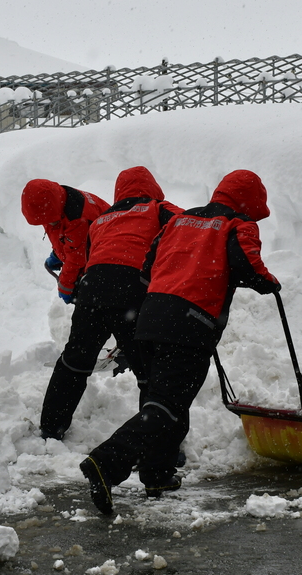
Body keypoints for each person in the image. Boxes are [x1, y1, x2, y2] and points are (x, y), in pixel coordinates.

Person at [79, 170, 280, 515]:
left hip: (149, 316)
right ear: (249, 202)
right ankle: (107, 462)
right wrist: (269, 282)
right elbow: (247, 265)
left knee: (163, 401)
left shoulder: (181, 219)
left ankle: (158, 474)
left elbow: (146, 267)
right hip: (191, 322)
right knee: (169, 406)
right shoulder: (236, 225)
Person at [39, 166, 182, 440]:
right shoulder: (159, 208)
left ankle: (50, 428)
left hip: (92, 289)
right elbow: (185, 229)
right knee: (148, 372)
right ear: (152, 187)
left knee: (74, 361)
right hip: (131, 289)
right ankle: (156, 444)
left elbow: (89, 256)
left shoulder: (103, 219)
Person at [20, 179, 110, 304]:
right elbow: (60, 231)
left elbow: (77, 259)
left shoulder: (77, 217)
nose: (46, 223)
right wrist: (58, 253)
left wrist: (65, 287)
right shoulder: (55, 201)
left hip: (105, 262)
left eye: (47, 220)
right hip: (87, 250)